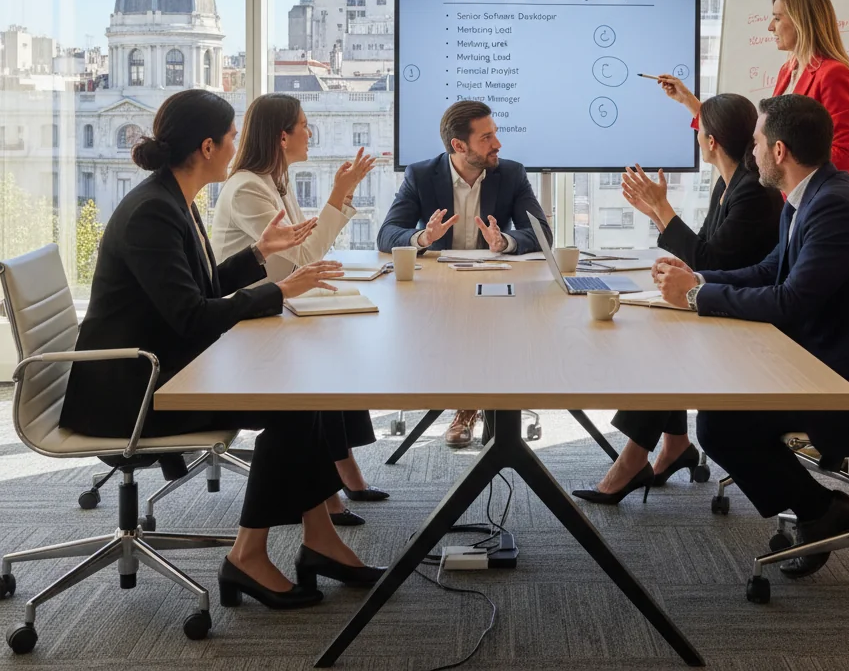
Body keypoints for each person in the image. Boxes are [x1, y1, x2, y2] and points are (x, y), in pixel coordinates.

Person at [60, 89, 384, 610]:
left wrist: (260, 254)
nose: (237, 147)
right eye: (231, 137)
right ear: (207, 146)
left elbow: (202, 291)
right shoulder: (153, 213)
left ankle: (319, 540)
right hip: (136, 391)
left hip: (169, 369)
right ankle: (247, 556)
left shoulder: (173, 200)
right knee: (292, 406)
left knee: (307, 391)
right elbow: (190, 316)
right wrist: (279, 289)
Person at [651, 94, 849, 576]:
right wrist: (700, 282)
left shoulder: (834, 207)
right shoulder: (809, 195)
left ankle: (821, 511)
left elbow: (791, 301)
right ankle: (822, 510)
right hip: (837, 361)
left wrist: (696, 298)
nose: (752, 152)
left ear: (780, 151)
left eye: (759, 142)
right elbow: (772, 270)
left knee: (722, 423)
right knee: (726, 407)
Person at [573, 93, 782, 505]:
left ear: (711, 142)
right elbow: (706, 248)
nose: (696, 138)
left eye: (698, 132)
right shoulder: (730, 181)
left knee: (661, 344)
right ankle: (674, 444)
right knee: (661, 329)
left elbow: (709, 258)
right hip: (724, 296)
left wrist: (661, 206)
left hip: (747, 313)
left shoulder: (753, 190)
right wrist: (656, 214)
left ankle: (634, 461)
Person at [211, 93, 386, 525]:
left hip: (274, 308)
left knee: (336, 344)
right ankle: (332, 491)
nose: (311, 132)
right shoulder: (250, 187)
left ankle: (343, 477)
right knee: (322, 362)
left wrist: (338, 198)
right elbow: (302, 257)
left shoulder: (274, 181)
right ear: (282, 136)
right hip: (246, 323)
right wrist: (340, 194)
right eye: (305, 125)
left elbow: (302, 254)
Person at [377, 99, 551, 448]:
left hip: (496, 285)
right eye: (487, 138)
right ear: (459, 146)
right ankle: (470, 407)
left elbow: (542, 235)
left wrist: (504, 240)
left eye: (495, 134)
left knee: (498, 322)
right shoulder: (422, 175)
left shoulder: (511, 173)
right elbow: (387, 233)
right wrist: (423, 237)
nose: (497, 144)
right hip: (442, 290)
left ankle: (487, 410)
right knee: (461, 325)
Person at [656, 0, 849, 176]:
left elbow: (844, 153)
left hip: (814, 200)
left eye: (778, 18)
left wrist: (781, 166)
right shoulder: (788, 71)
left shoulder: (833, 73)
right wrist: (688, 101)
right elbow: (763, 138)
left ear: (802, 22)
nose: (770, 27)